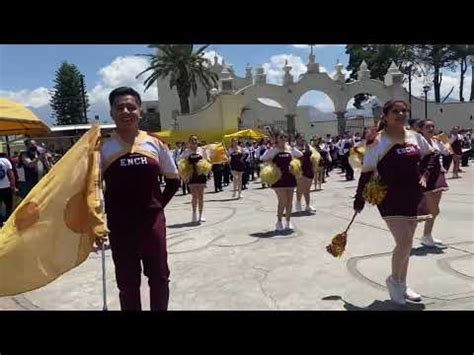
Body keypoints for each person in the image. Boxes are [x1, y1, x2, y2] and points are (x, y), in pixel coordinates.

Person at [99, 87, 180, 311]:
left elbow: (173, 181)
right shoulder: (103, 148)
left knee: (160, 277)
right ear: (112, 113)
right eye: (120, 107)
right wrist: (96, 222)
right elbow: (92, 191)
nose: (126, 111)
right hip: (120, 225)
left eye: (131, 107)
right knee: (128, 283)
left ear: (140, 111)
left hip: (152, 224)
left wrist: (156, 208)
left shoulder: (155, 143)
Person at [354, 99, 436, 305]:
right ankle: (393, 280)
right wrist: (359, 199)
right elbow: (367, 171)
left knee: (407, 245)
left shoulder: (415, 136)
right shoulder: (377, 140)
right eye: (395, 111)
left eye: (403, 111)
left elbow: (431, 154)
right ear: (385, 115)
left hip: (414, 195)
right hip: (389, 196)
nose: (401, 114)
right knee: (404, 242)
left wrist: (425, 174)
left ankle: (402, 283)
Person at [261, 130, 303, 231]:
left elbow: (300, 154)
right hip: (278, 179)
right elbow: (262, 158)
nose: (283, 139)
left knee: (289, 201)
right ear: (276, 139)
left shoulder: (290, 149)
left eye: (284, 137)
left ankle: (288, 221)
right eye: (281, 137)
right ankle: (279, 221)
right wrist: (272, 164)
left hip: (290, 177)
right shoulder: (272, 150)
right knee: (282, 200)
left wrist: (294, 163)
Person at [418, 119, 450, 247]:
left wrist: (446, 142)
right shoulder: (418, 142)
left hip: (438, 175)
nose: (431, 129)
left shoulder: (436, 141)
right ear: (421, 129)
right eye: (427, 127)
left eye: (432, 126)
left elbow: (446, 153)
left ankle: (427, 235)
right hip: (427, 176)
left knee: (435, 209)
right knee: (432, 209)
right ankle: (422, 235)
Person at [180, 135, 209, 222]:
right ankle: (194, 214)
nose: (194, 141)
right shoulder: (186, 152)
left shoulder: (202, 150)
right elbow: (181, 162)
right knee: (194, 196)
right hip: (192, 176)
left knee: (201, 196)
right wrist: (184, 175)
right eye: (192, 140)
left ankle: (201, 214)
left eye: (195, 140)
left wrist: (205, 168)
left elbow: (207, 160)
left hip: (201, 175)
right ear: (189, 142)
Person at [294, 133, 317, 213]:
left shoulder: (308, 146)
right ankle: (298, 203)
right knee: (300, 188)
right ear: (296, 139)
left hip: (309, 169)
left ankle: (308, 205)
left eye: (303, 138)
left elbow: (314, 155)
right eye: (300, 138)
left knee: (307, 189)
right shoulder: (294, 148)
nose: (302, 139)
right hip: (300, 170)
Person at [0, 153, 16, 225]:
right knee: (9, 205)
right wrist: (13, 185)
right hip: (6, 187)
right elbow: (11, 174)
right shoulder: (6, 161)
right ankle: (9, 221)